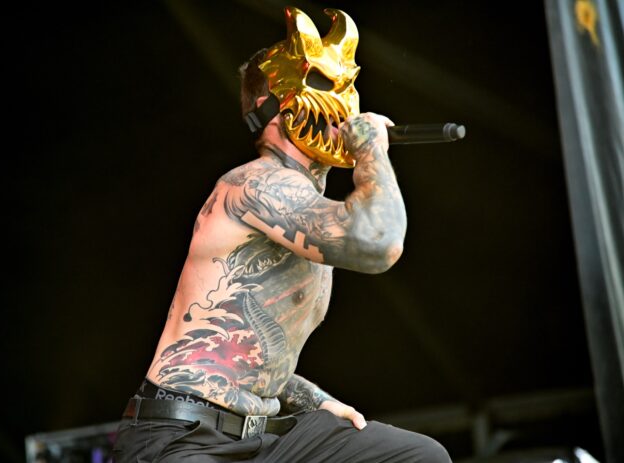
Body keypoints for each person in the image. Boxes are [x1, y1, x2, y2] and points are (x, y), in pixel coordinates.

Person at [112, 6, 451, 463]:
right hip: (182, 436)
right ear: (272, 110)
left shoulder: (306, 209)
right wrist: (372, 145)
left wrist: (315, 400)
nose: (344, 106)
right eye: (324, 86)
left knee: (417, 456)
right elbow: (379, 243)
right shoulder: (254, 184)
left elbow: (246, 347)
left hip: (258, 434)